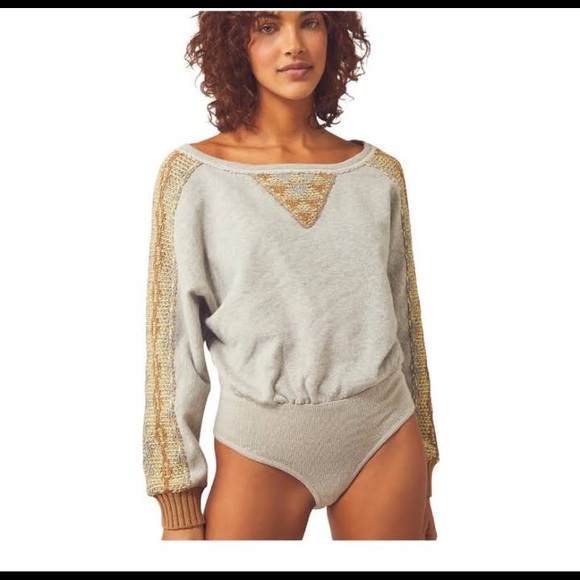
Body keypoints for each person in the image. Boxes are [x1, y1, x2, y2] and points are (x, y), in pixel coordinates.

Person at [142, 9, 440, 541]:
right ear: (234, 43)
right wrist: (177, 504)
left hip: (386, 439)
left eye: (311, 22)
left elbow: (405, 324)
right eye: (267, 26)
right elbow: (173, 345)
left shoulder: (378, 175)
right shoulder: (196, 177)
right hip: (259, 445)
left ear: (334, 35)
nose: (294, 44)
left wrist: (425, 469)